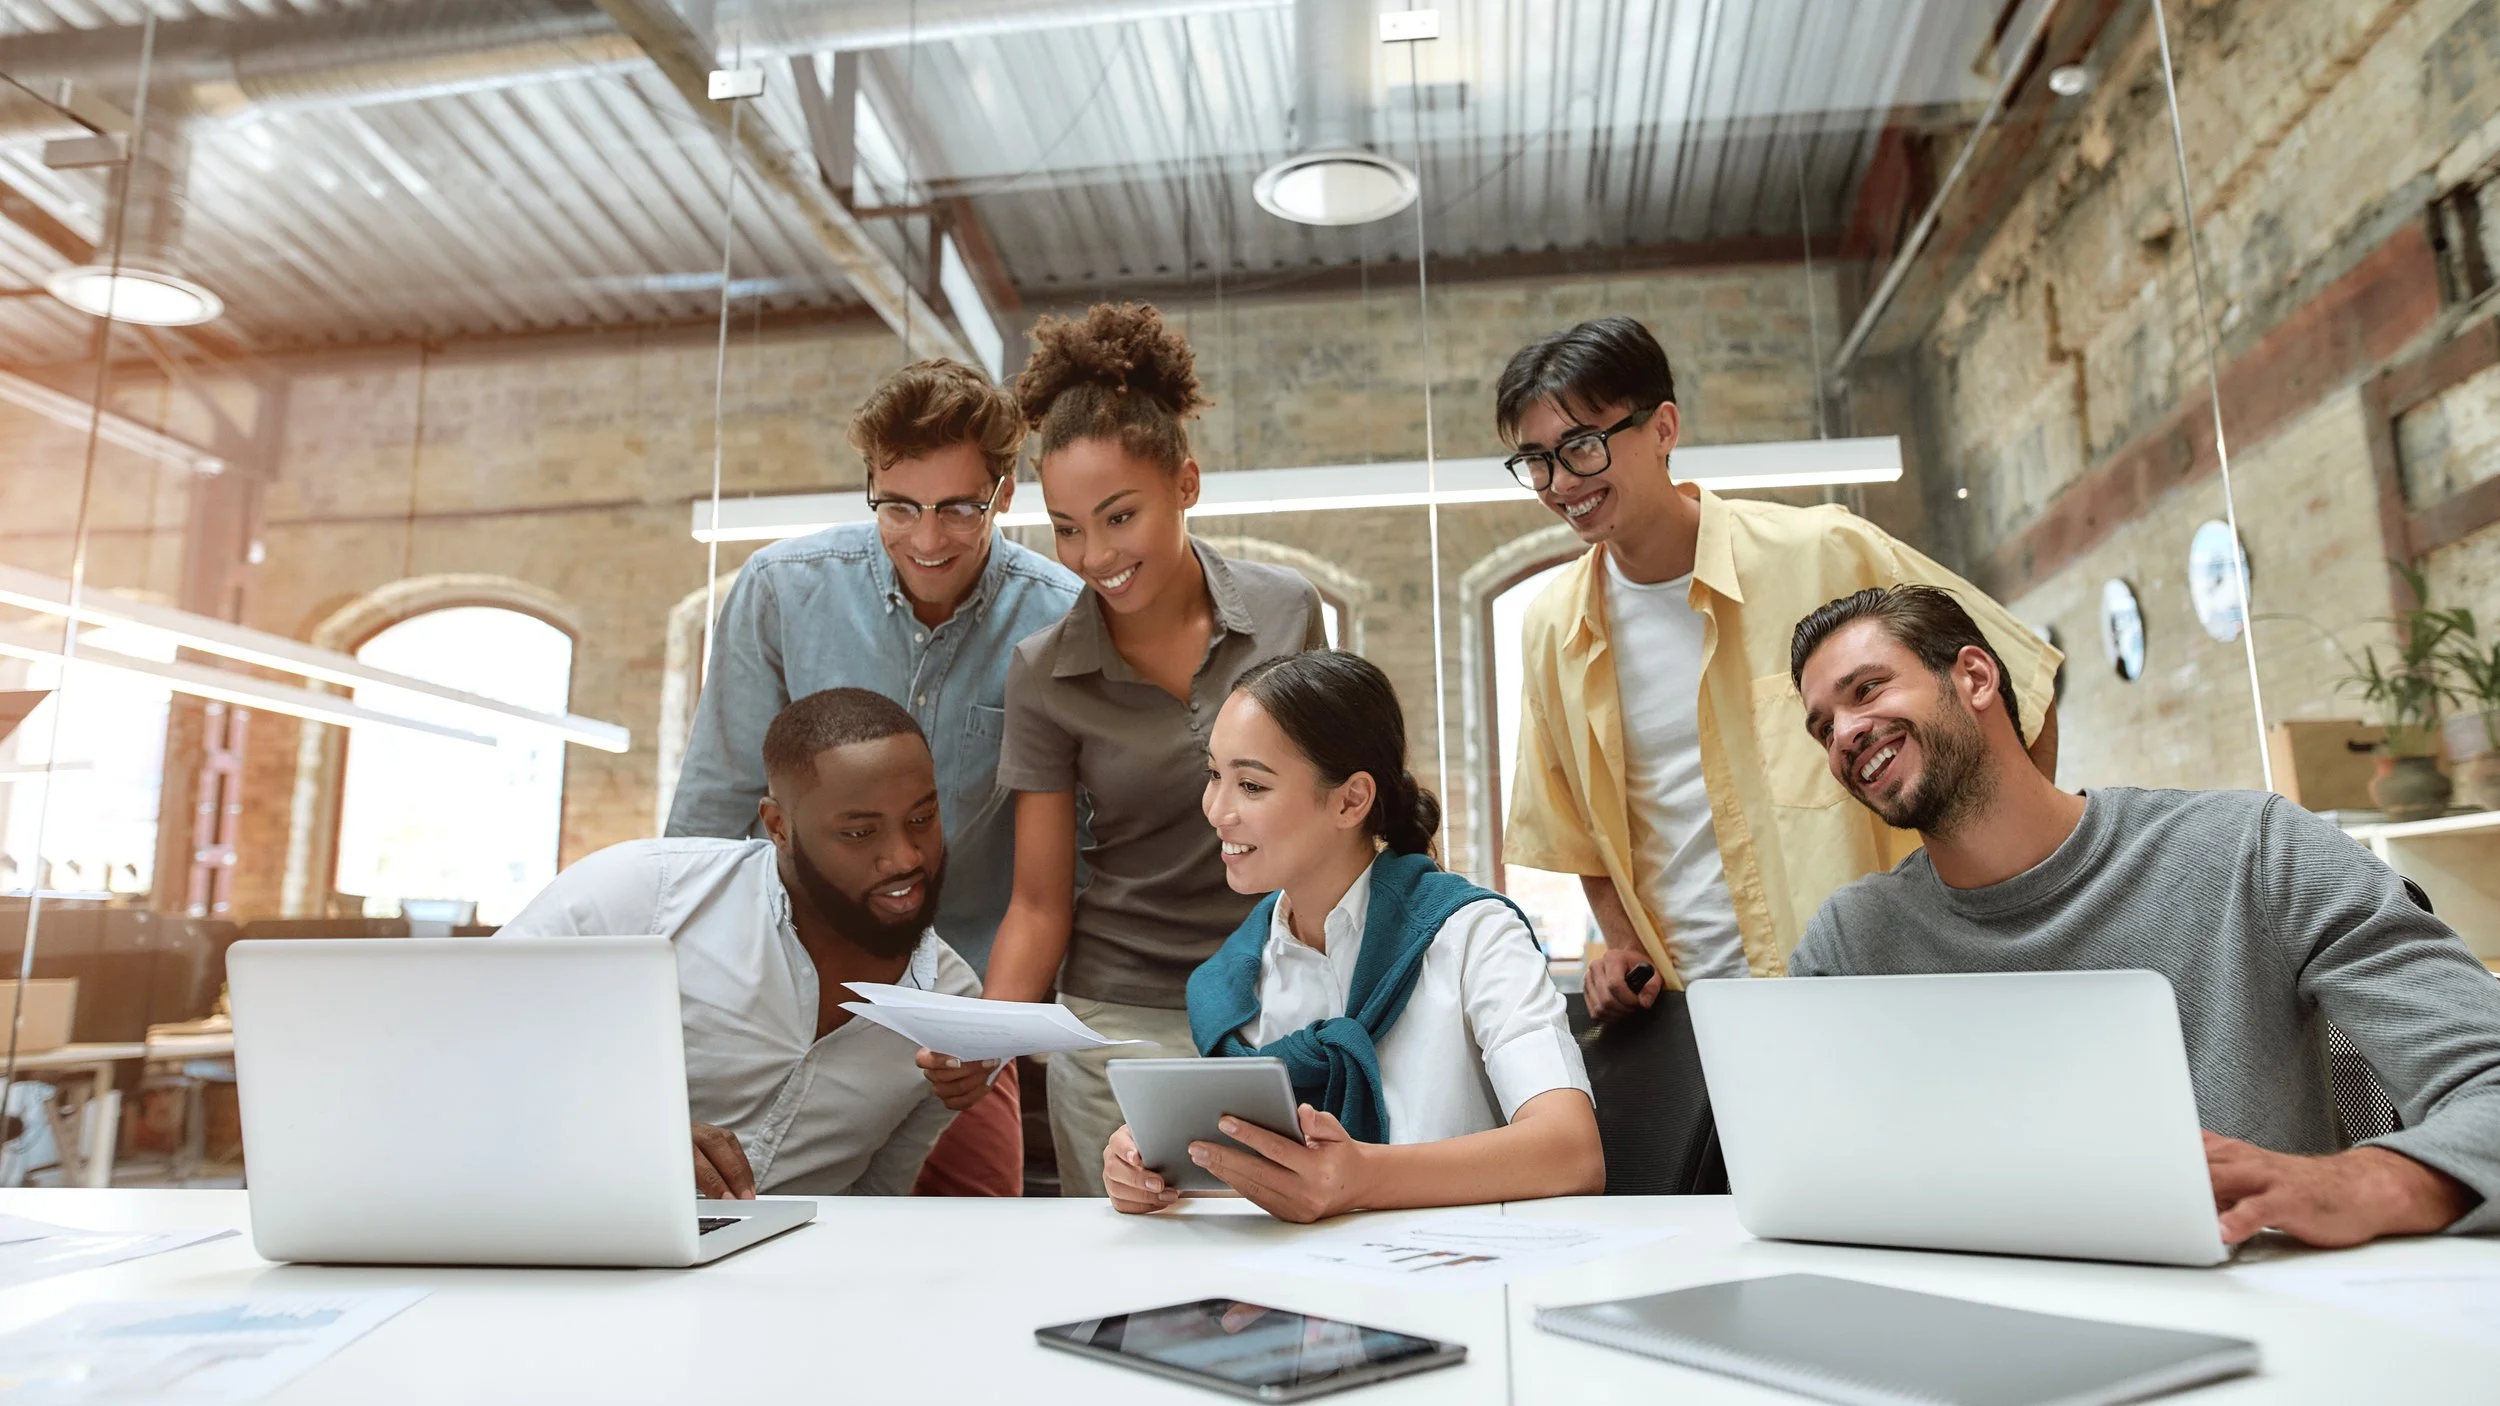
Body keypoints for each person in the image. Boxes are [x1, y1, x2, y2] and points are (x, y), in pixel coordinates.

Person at [1788, 584, 2500, 1247]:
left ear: (1975, 678)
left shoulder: (2253, 850)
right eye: (1823, 728)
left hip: (2256, 1308)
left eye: (1867, 689)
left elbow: (2487, 1081)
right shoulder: (1849, 942)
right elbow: (1800, 1173)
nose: (1845, 733)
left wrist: (2358, 1181)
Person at [1495, 316, 2063, 1019]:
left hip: (1881, 990)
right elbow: (1576, 830)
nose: (1560, 483)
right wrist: (1619, 944)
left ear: (1663, 428)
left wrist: (2008, 908)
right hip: (1692, 1021)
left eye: (1582, 445)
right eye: (1536, 460)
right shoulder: (1553, 629)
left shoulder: (1825, 553)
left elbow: (2018, 688)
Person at [931, 303, 1328, 1196]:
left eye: (1119, 516)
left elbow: (1345, 814)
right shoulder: (1045, 673)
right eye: (1067, 527)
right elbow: (1038, 903)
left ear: (1186, 484)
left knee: (1283, 1252)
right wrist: (988, 1038)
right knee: (1131, 1262)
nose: (1093, 555)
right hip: (1120, 1018)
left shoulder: (1286, 613)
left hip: (1282, 996)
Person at [667, 358, 1077, 1196]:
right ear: (870, 487)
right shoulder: (781, 593)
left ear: (1003, 494)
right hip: (771, 988)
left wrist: (995, 1027)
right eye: (900, 507)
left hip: (954, 1021)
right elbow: (710, 819)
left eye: (959, 508)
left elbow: (1071, 861)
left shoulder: (1062, 622)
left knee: (967, 1247)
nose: (928, 541)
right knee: (731, 1217)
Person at [1097, 651, 1603, 1222]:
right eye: (1215, 776)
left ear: (1350, 800)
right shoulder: (1237, 977)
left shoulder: (1474, 935)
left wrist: (1361, 1178)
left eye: (1251, 785)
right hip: (1296, 1291)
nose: (1217, 810)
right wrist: (1155, 1169)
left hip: (1466, 1276)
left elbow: (1571, 1152)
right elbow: (1260, 1176)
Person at [503, 688, 979, 1200]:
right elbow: (458, 1057)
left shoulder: (951, 1004)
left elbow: (879, 1198)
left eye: (921, 819)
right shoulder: (641, 899)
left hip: (793, 1270)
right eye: (860, 833)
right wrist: (621, 1136)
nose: (904, 858)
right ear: (778, 826)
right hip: (575, 1241)